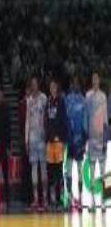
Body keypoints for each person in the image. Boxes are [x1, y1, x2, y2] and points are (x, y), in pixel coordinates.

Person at [86, 72, 108, 212]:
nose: (95, 81)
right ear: (91, 81)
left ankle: (104, 202)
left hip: (101, 138)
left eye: (97, 79)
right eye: (93, 79)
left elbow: (105, 118)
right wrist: (86, 137)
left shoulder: (103, 96)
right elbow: (86, 117)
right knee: (92, 172)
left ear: (99, 81)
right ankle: (93, 202)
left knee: (103, 172)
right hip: (91, 138)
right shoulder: (87, 96)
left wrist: (105, 139)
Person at [25, 76, 48, 211]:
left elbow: (47, 117)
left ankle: (44, 198)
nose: (34, 86)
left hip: (42, 137)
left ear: (38, 85)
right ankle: (35, 198)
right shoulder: (29, 100)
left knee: (43, 167)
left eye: (35, 83)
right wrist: (26, 139)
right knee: (34, 167)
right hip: (32, 138)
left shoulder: (44, 98)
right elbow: (27, 121)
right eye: (32, 84)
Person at [64, 75, 87, 212]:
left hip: (79, 140)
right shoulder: (67, 99)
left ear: (79, 85)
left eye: (78, 83)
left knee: (79, 169)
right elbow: (65, 119)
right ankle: (69, 198)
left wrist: (84, 138)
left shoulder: (83, 100)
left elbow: (85, 120)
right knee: (68, 169)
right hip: (69, 140)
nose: (76, 85)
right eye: (74, 83)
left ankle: (81, 198)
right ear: (71, 84)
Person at [45, 80, 67, 212]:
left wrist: (62, 138)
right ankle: (52, 200)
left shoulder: (61, 101)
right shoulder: (48, 102)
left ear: (57, 88)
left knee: (59, 172)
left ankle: (60, 200)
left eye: (54, 86)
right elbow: (46, 121)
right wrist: (47, 137)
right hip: (49, 142)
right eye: (51, 87)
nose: (52, 88)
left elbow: (63, 120)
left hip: (58, 142)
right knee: (51, 172)